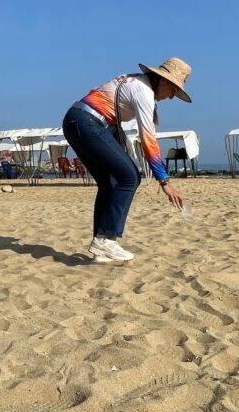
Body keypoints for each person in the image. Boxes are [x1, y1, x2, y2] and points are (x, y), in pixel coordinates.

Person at [62, 57, 191, 264]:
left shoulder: (136, 81)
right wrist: (164, 182)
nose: (171, 97)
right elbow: (148, 140)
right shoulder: (144, 92)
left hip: (75, 121)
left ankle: (101, 246)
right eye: (173, 90)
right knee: (131, 177)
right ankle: (106, 239)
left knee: (109, 183)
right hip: (87, 123)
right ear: (163, 80)